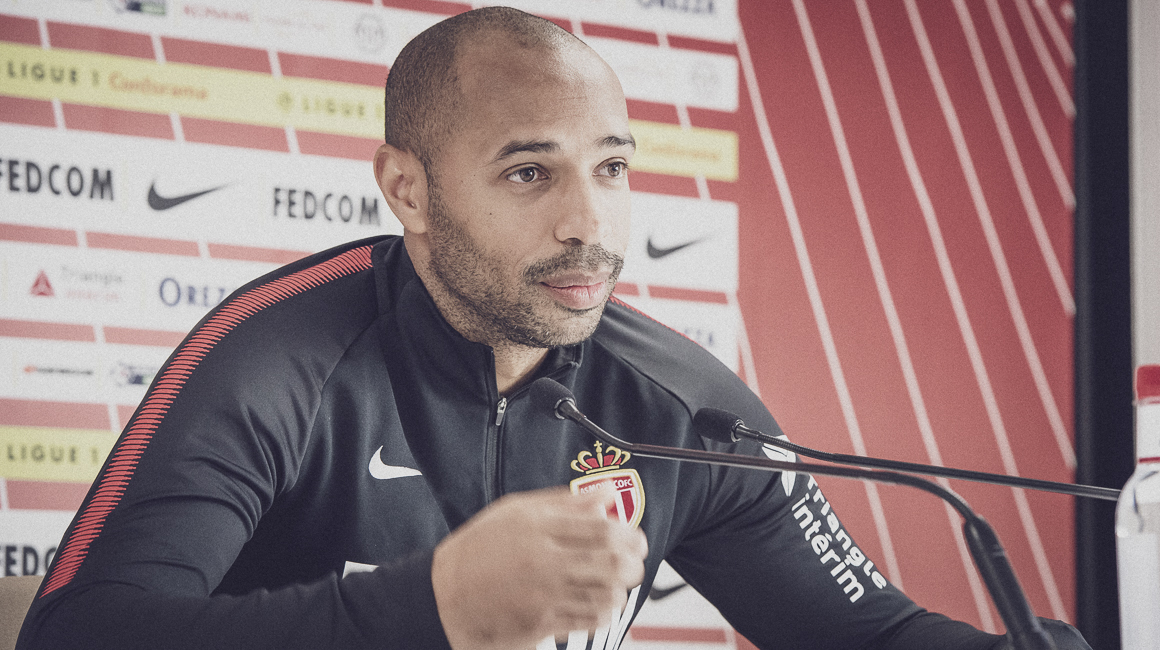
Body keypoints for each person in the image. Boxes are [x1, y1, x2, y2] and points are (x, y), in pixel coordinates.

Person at [18, 7, 1090, 650]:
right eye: (530, 173)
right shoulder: (273, 357)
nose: (590, 223)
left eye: (611, 168)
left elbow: (864, 632)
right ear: (408, 188)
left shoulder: (681, 408)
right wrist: (432, 609)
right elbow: (75, 635)